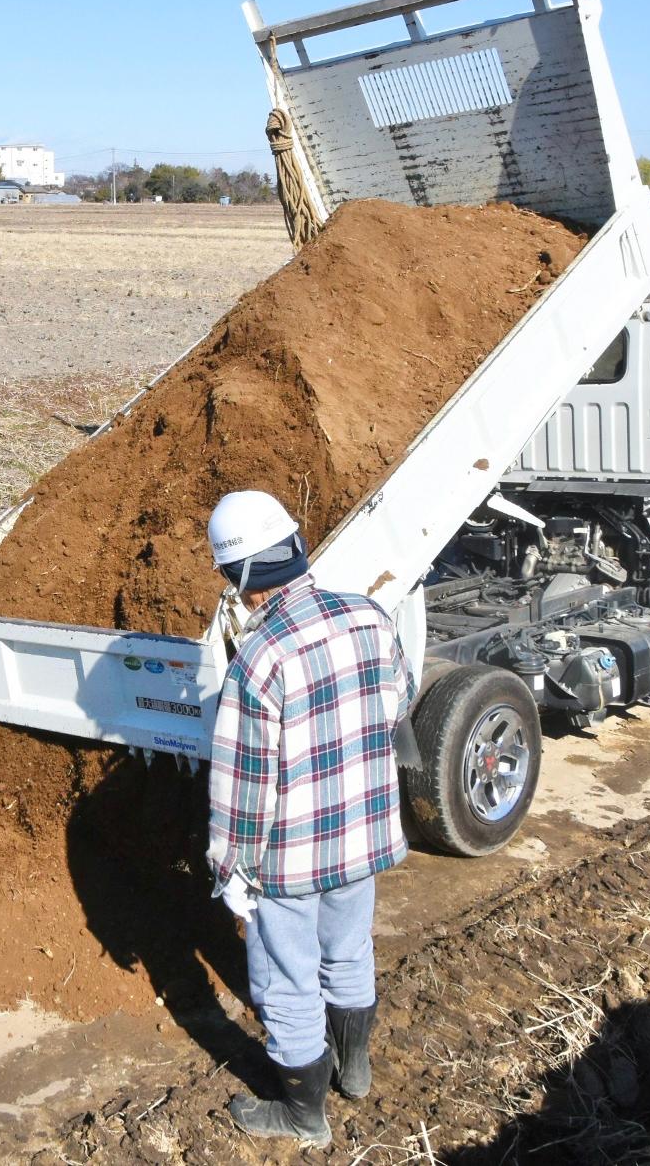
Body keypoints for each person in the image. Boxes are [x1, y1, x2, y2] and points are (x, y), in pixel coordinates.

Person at [204, 490, 417, 1146]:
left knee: (286, 980)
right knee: (348, 950)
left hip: (291, 860)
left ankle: (303, 1117)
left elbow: (243, 783)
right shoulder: (370, 618)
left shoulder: (259, 659)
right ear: (296, 545)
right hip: (365, 837)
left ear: (238, 579)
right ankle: (353, 1069)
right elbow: (398, 702)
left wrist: (231, 866)